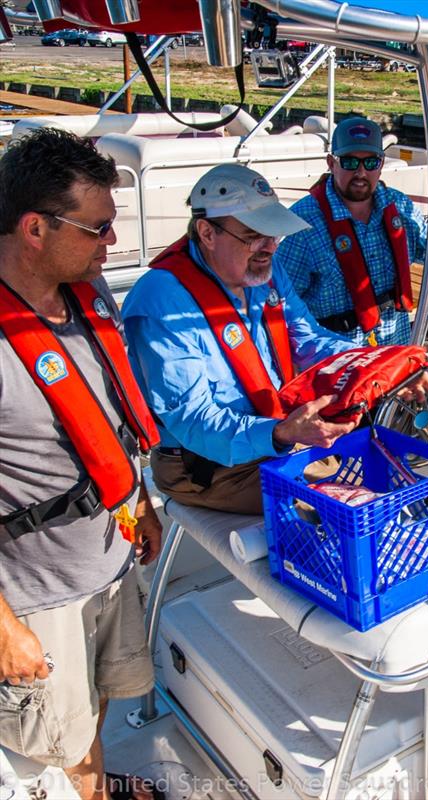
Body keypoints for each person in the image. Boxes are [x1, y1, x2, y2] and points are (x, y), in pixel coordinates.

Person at [0, 129, 164, 800]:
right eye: (97, 229)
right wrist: (4, 627)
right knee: (48, 742)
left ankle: (93, 786)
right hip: (38, 595)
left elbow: (105, 424)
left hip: (109, 555)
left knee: (96, 703)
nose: (113, 245)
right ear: (34, 228)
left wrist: (142, 504)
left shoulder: (87, 301)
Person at [122, 164, 428, 516]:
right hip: (206, 467)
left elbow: (310, 341)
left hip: (279, 440)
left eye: (274, 233)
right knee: (348, 514)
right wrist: (281, 433)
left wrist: (387, 368)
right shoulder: (161, 302)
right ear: (207, 233)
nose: (270, 246)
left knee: (394, 477)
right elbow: (193, 419)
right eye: (255, 233)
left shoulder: (265, 272)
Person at [277, 116, 428, 345]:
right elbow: (280, 303)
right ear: (332, 163)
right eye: (350, 162)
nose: (361, 172)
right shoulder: (304, 223)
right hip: (338, 365)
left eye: (371, 162)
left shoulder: (401, 208)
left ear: (382, 164)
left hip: (394, 357)